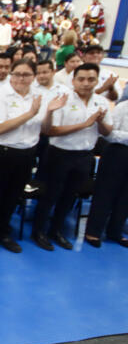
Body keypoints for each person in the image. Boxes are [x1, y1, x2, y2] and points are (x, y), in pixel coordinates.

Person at [32, 63, 112, 251]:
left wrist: (99, 122)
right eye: (81, 79)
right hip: (60, 154)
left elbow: (107, 132)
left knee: (69, 196)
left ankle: (56, 230)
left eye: (91, 79)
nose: (86, 83)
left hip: (84, 155)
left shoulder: (100, 102)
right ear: (73, 80)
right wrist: (85, 124)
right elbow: (51, 131)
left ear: (96, 80)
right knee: (50, 195)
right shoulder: (63, 99)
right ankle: (38, 231)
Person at [0, 59, 45, 256]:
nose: (21, 79)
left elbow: (42, 126)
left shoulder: (38, 96)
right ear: (11, 75)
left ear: (33, 77)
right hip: (1, 152)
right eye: (17, 74)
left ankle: (3, 233)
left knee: (13, 196)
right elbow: (0, 127)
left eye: (26, 75)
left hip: (27, 153)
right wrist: (30, 113)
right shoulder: (0, 95)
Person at [84, 99, 128, 248]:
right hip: (118, 151)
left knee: (125, 197)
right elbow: (109, 133)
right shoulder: (122, 107)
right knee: (105, 193)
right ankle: (93, 232)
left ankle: (115, 232)